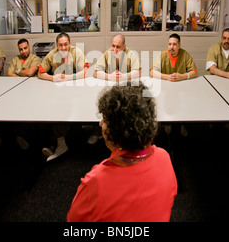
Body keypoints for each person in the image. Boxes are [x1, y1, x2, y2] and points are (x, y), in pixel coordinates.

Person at [67, 83, 177, 222]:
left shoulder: (96, 182)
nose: (101, 124)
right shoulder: (164, 158)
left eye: (105, 119)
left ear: (117, 130)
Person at [38, 32, 89, 161]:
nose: (63, 47)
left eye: (66, 44)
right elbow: (40, 73)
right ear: (56, 45)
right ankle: (57, 143)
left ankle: (57, 143)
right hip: (59, 90)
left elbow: (85, 72)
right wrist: (52, 78)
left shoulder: (76, 52)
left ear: (70, 44)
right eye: (60, 45)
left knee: (60, 110)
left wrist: (68, 77)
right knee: (52, 110)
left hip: (76, 89)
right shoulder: (52, 54)